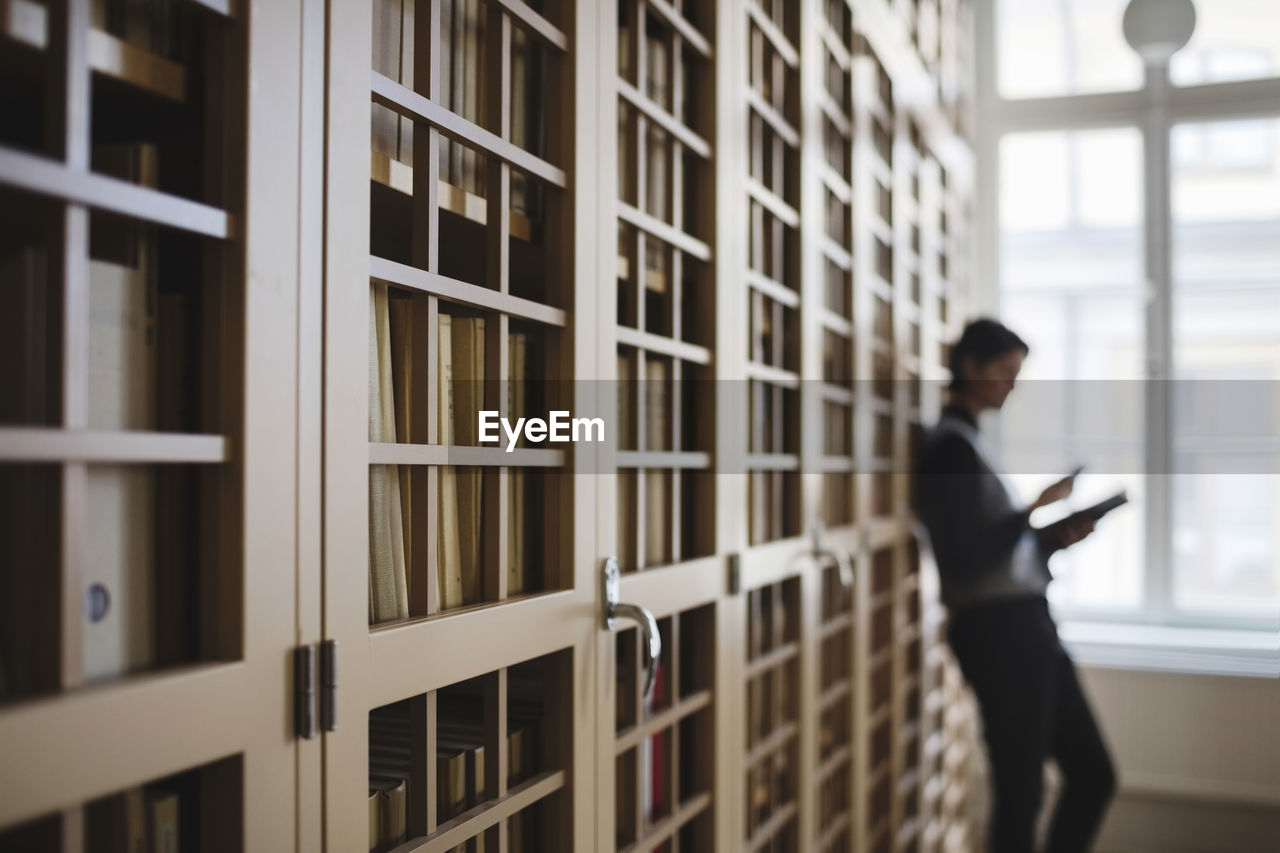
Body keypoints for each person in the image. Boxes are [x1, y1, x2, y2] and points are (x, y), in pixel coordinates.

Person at [912, 318, 1116, 853]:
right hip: (999, 635)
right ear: (971, 367)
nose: (1011, 385)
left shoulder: (974, 444)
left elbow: (1001, 551)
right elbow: (964, 559)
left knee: (1091, 774)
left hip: (1025, 624)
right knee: (1021, 790)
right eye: (1005, 371)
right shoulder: (949, 449)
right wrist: (1035, 510)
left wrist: (1052, 538)